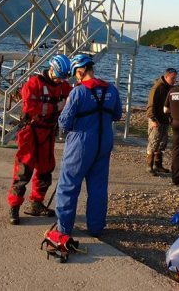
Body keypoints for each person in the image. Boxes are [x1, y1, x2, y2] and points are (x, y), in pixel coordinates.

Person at [55, 54, 122, 238]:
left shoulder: (77, 92)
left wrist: (66, 105)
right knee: (98, 187)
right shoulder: (112, 89)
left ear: (79, 71)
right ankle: (96, 227)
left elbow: (64, 123)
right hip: (104, 141)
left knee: (68, 186)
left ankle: (64, 229)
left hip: (81, 143)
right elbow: (117, 115)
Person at [8, 54, 72, 225]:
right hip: (31, 131)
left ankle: (36, 203)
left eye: (64, 77)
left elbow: (72, 97)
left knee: (46, 169)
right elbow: (30, 107)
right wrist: (55, 107)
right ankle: (14, 207)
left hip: (48, 132)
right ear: (52, 69)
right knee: (23, 170)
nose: (61, 80)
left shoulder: (64, 86)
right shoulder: (33, 84)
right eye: (59, 76)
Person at [146, 67, 178, 175]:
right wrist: (153, 119)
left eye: (175, 79)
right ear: (167, 76)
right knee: (153, 142)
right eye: (173, 78)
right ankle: (149, 166)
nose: (174, 81)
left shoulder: (170, 88)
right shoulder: (157, 88)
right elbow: (150, 105)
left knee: (162, 143)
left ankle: (158, 165)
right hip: (156, 119)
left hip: (165, 119)